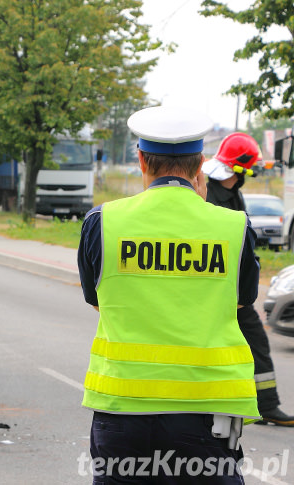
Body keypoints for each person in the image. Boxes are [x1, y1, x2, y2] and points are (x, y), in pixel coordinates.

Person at [77, 106, 260, 483]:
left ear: (141, 159)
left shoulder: (103, 222)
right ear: (201, 165)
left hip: (122, 412)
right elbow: (241, 301)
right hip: (208, 415)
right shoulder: (233, 227)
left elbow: (98, 300)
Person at [202, 132, 294, 427]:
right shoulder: (207, 192)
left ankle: (266, 405)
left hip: (235, 292)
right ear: (240, 168)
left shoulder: (231, 193)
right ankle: (202, 405)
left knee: (256, 343)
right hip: (212, 291)